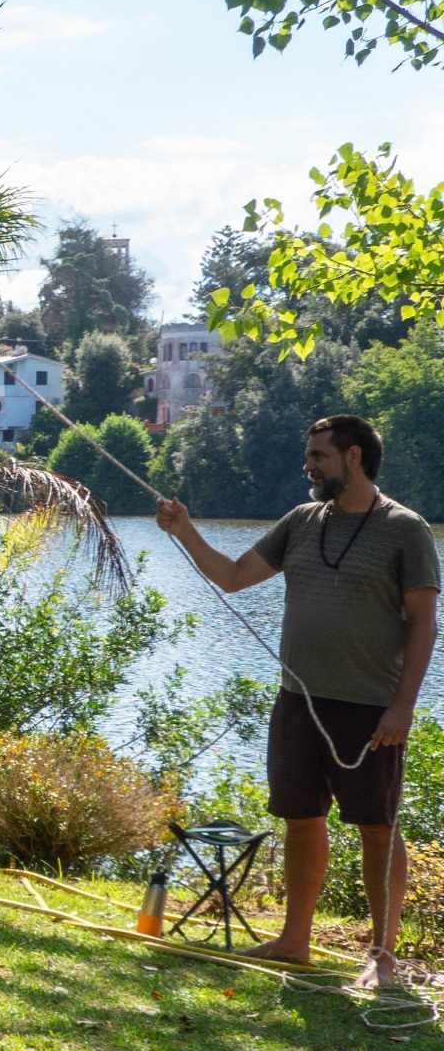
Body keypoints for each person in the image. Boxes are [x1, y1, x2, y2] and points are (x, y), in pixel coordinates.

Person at [155, 414, 438, 987]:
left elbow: (424, 625)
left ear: (354, 457)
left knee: (377, 828)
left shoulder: (405, 529)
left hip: (370, 707)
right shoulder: (301, 521)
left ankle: (382, 956)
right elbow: (234, 576)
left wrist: (403, 707)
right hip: (298, 702)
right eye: (309, 456)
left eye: (318, 456)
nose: (308, 466)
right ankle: (294, 941)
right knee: (301, 819)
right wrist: (184, 530)